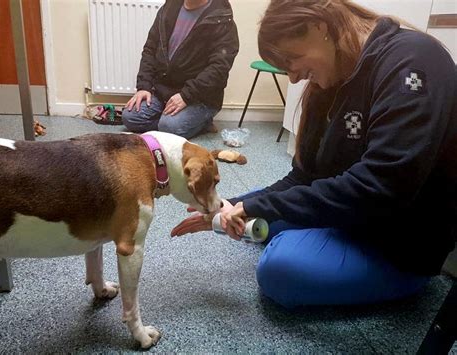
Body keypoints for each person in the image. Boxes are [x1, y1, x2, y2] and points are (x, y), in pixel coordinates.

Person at [171, 0, 457, 308]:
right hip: (352, 215)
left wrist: (259, 206)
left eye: (292, 59)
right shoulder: (337, 76)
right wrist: (238, 206)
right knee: (250, 211)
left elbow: (381, 186)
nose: (293, 78)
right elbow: (304, 175)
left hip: (397, 246)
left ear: (320, 26)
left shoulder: (412, 62)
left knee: (277, 270)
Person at [122, 0, 239, 139]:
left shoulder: (222, 18)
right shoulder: (168, 8)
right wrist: (144, 86)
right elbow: (150, 49)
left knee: (170, 127)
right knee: (130, 117)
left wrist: (186, 95)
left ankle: (202, 121)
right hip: (163, 90)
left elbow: (219, 68)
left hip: (200, 97)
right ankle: (172, 120)